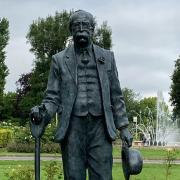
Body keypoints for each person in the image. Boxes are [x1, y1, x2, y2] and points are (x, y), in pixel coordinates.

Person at [30, 10, 133, 180]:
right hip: (72, 127)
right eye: (76, 26)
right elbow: (52, 97)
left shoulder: (107, 57)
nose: (81, 29)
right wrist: (42, 112)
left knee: (103, 176)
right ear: (71, 30)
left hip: (101, 127)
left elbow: (116, 95)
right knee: (74, 176)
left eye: (85, 25)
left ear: (93, 29)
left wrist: (123, 127)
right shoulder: (59, 59)